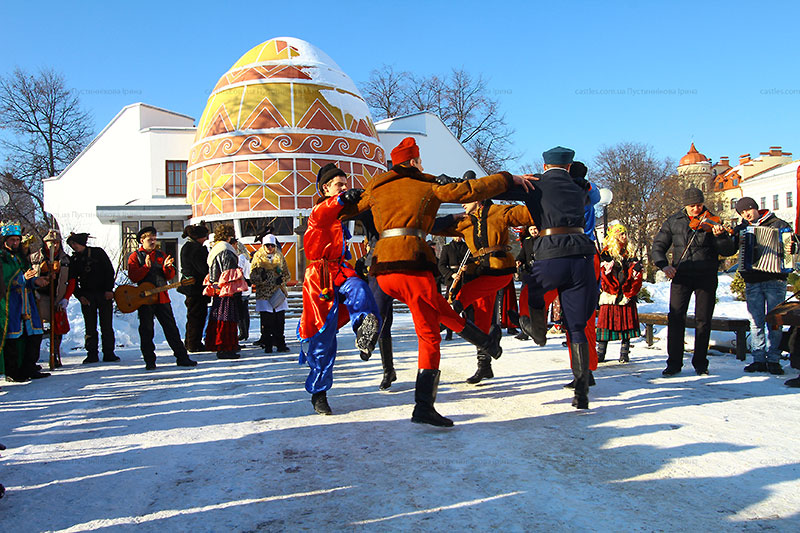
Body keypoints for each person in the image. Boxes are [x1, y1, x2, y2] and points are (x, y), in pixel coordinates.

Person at [342, 136, 536, 425]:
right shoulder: (427, 183)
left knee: (439, 307)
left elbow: (347, 209)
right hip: (412, 264)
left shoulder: (377, 185)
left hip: (381, 268)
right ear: (414, 162)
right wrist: (509, 179)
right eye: (420, 160)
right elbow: (472, 189)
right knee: (429, 334)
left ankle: (484, 342)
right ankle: (423, 406)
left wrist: (335, 198)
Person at [510, 147, 599, 409]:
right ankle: (582, 393)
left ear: (546, 166)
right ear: (569, 166)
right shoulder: (581, 188)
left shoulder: (537, 184)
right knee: (577, 326)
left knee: (533, 290)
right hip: (582, 255)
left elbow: (499, 190)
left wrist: (514, 179)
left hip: (551, 252)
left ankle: (537, 331)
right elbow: (593, 194)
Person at [298, 163, 381, 415]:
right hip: (319, 276)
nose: (344, 187)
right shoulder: (319, 211)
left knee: (360, 289)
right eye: (339, 184)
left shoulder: (342, 216)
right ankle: (319, 393)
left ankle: (364, 333)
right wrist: (343, 197)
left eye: (345, 184)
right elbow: (326, 210)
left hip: (341, 269)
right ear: (326, 188)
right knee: (323, 337)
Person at [436, 198, 534, 384]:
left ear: (478, 197)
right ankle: (485, 365)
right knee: (481, 320)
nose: (463, 204)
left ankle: (447, 320)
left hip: (499, 269)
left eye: (466, 200)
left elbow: (526, 214)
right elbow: (434, 227)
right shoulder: (464, 222)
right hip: (480, 272)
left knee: (462, 295)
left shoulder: (498, 211)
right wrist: (450, 217)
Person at [652, 187, 736, 376]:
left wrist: (721, 236)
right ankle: (673, 363)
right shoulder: (674, 221)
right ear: (685, 205)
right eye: (692, 206)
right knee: (675, 318)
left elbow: (728, 251)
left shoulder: (713, 220)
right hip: (681, 276)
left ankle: (700, 363)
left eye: (699, 205)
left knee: (703, 320)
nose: (696, 210)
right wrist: (664, 265)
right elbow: (658, 246)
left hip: (706, 276)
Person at [732, 197, 792, 375]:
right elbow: (729, 247)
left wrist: (791, 249)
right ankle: (758, 359)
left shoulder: (778, 224)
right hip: (752, 280)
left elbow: (794, 246)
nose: (746, 215)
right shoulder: (743, 229)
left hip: (776, 279)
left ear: (755, 208)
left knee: (774, 322)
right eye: (742, 213)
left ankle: (774, 359)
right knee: (756, 321)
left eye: (748, 210)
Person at [127, 226, 197, 370]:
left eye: (154, 238)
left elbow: (169, 276)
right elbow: (133, 277)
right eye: (149, 239)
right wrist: (145, 268)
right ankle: (149, 360)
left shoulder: (160, 254)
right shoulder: (135, 256)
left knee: (171, 328)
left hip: (162, 297)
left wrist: (167, 268)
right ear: (142, 240)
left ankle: (182, 357)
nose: (153, 241)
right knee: (146, 329)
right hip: (145, 299)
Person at [1, 221, 50, 381]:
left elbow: (27, 277)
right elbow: (5, 280)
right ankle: (13, 372)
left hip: (27, 302)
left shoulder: (21, 258)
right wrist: (22, 279)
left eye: (17, 240)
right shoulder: (3, 259)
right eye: (11, 240)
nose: (15, 243)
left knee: (34, 335)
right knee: (13, 339)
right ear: (5, 241)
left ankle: (29, 368)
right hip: (11, 303)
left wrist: (36, 281)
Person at [66, 232, 118, 363]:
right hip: (87, 295)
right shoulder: (75, 260)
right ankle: (92, 353)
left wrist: (109, 289)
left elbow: (109, 271)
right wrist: (79, 296)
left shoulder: (98, 253)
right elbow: (72, 280)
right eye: (71, 245)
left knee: (106, 325)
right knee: (90, 325)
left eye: (75, 244)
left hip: (103, 294)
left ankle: (109, 352)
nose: (73, 247)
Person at [596, 223, 643, 363]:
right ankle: (601, 352)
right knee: (606, 325)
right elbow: (603, 276)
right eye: (621, 234)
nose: (624, 237)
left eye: (625, 234)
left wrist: (636, 270)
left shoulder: (629, 253)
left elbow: (635, 273)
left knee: (626, 324)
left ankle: (624, 352)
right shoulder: (606, 253)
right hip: (611, 293)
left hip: (626, 292)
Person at [204, 224, 248, 359]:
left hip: (218, 289)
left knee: (218, 317)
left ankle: (217, 343)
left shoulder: (215, 249)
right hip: (226, 290)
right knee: (227, 318)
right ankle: (225, 347)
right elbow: (229, 274)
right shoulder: (226, 250)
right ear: (229, 236)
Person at [30, 229, 73, 367]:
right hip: (40, 296)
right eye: (50, 242)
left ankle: (55, 353)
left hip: (57, 295)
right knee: (38, 326)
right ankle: (33, 357)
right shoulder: (35, 258)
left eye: (56, 242)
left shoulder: (65, 259)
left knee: (57, 326)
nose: (53, 245)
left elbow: (71, 280)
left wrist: (65, 297)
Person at [250, 234, 290, 353]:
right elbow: (252, 276)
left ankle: (280, 343)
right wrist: (261, 278)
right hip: (264, 293)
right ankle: (267, 343)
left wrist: (281, 280)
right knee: (267, 320)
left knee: (279, 320)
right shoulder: (258, 257)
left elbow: (287, 274)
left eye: (272, 245)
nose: (270, 248)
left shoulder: (280, 256)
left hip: (278, 292)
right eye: (267, 245)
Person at [178, 223, 210, 353]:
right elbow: (202, 268)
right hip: (196, 287)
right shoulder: (197, 249)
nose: (206, 239)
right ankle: (194, 342)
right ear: (199, 237)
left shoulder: (186, 247)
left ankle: (190, 341)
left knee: (192, 315)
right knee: (197, 315)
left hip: (189, 286)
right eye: (205, 237)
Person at [438, 236, 469, 341]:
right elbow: (441, 265)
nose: (458, 237)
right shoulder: (447, 248)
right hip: (453, 280)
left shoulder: (466, 246)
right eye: (456, 235)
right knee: (450, 307)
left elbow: (472, 260)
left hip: (465, 279)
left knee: (466, 306)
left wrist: (467, 267)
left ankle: (467, 330)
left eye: (460, 235)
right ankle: (449, 332)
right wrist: (451, 274)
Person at [232, 237, 252, 342]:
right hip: (247, 287)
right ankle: (245, 331)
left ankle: (243, 332)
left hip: (241, 287)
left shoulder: (240, 258)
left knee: (241, 312)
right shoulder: (246, 258)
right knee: (245, 311)